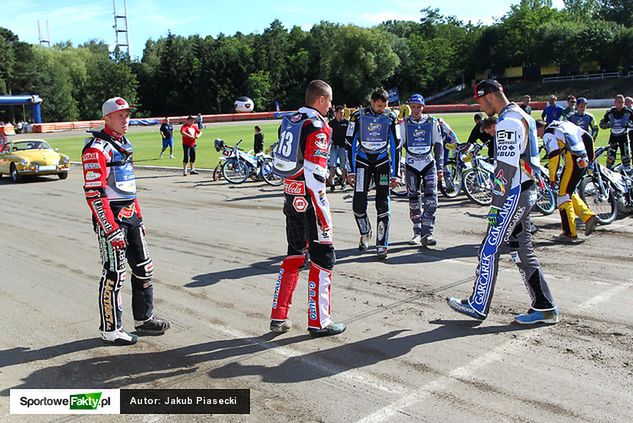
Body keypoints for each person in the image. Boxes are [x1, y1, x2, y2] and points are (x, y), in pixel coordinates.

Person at [447, 80, 558, 325]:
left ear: (489, 96)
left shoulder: (507, 121)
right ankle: (545, 306)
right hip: (527, 190)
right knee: (522, 251)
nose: (479, 106)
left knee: (489, 248)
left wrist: (496, 205)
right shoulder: (523, 115)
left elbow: (504, 170)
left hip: (514, 193)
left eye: (479, 101)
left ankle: (478, 305)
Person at [81, 97, 171, 345]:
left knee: (144, 268)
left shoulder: (124, 143)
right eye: (120, 115)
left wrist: (139, 218)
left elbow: (130, 187)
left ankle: (144, 318)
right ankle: (111, 329)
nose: (125, 119)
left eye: (127, 115)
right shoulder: (96, 149)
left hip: (131, 215)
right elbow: (94, 194)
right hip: (111, 217)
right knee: (115, 274)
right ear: (107, 118)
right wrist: (110, 229)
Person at [269, 80, 346, 337]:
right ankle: (319, 321)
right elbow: (315, 176)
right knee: (323, 256)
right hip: (310, 200)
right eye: (330, 100)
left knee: (294, 255)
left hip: (291, 196)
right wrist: (324, 214)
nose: (331, 105)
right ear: (321, 100)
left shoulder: (290, 119)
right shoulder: (317, 127)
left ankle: (279, 316)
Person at [346, 88, 401, 259]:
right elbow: (349, 143)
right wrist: (350, 170)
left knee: (383, 202)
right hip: (362, 162)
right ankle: (365, 231)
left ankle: (382, 244)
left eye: (384, 105)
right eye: (379, 105)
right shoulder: (357, 116)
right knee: (358, 204)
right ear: (371, 102)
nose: (382, 109)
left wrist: (396, 173)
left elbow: (396, 144)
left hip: (382, 163)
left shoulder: (391, 117)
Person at [536, 119, 598, 242]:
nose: (538, 135)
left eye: (536, 132)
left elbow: (553, 155)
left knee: (562, 196)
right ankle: (588, 217)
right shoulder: (564, 124)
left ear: (539, 128)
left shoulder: (549, 133)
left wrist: (552, 178)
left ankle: (569, 233)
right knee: (570, 191)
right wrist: (591, 159)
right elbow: (588, 137)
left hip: (572, 163)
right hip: (583, 160)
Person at [399, 94, 443, 246]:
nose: (416, 110)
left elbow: (438, 144)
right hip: (411, 165)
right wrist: (398, 167)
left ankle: (427, 233)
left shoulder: (432, 121)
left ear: (423, 107)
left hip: (428, 164)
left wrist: (440, 167)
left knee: (431, 200)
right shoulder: (404, 123)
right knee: (413, 200)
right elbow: (399, 145)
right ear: (409, 107)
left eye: (419, 107)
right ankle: (417, 232)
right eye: (413, 107)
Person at [600, 94, 633, 171]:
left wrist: (628, 124)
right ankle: (608, 171)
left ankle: (628, 172)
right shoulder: (610, 112)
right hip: (613, 137)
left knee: (625, 156)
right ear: (615, 102)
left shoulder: (628, 112)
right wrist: (608, 124)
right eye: (619, 102)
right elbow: (602, 124)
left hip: (624, 136)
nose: (621, 104)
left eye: (622, 102)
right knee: (611, 156)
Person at [328, 105, 349, 191]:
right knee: (332, 165)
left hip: (343, 147)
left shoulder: (346, 123)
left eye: (343, 113)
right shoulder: (331, 123)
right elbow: (328, 135)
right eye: (340, 113)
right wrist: (330, 142)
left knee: (343, 166)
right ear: (336, 113)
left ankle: (343, 182)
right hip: (334, 147)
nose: (342, 115)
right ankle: (332, 183)